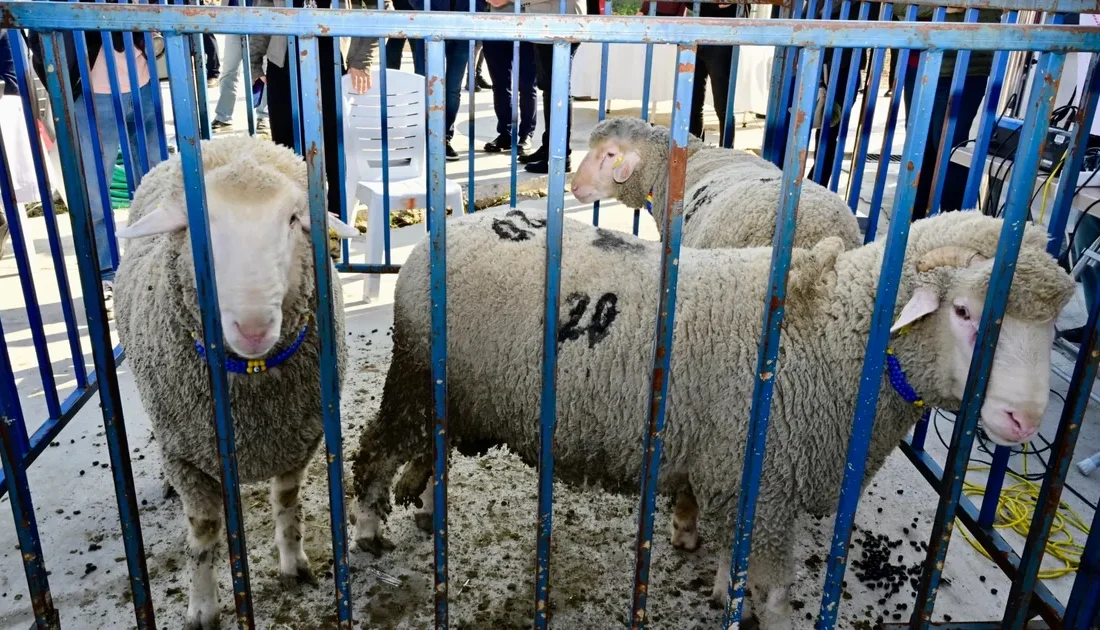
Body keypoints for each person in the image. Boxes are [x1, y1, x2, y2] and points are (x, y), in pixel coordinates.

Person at [29, 2, 164, 314]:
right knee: (94, 190)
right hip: (92, 96)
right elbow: (41, 38)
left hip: (142, 86)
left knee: (156, 181)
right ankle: (106, 274)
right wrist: (66, 86)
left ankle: (156, 260)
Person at [251, 0, 386, 230]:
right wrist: (255, 62)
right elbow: (263, 9)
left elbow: (382, 7)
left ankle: (333, 231)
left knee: (335, 155)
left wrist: (361, 58)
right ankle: (295, 229)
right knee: (287, 154)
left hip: (332, 62)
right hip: (284, 65)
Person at [491, 0, 585, 174]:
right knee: (551, 89)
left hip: (558, 22)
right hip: (550, 22)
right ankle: (551, 148)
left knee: (558, 91)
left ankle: (560, 155)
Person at [407, 0, 487, 161]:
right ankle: (421, 138)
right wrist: (428, 10)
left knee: (452, 89)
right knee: (424, 84)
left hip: (462, 27)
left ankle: (444, 137)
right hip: (429, 25)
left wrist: (473, 12)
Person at [481, 0, 536, 154]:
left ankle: (526, 135)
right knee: (500, 85)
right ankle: (505, 134)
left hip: (526, 26)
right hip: (494, 26)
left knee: (527, 85)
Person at [211, 0, 270, 134]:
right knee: (229, 69)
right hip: (235, 17)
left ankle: (264, 117)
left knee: (264, 71)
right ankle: (223, 117)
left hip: (263, 16)